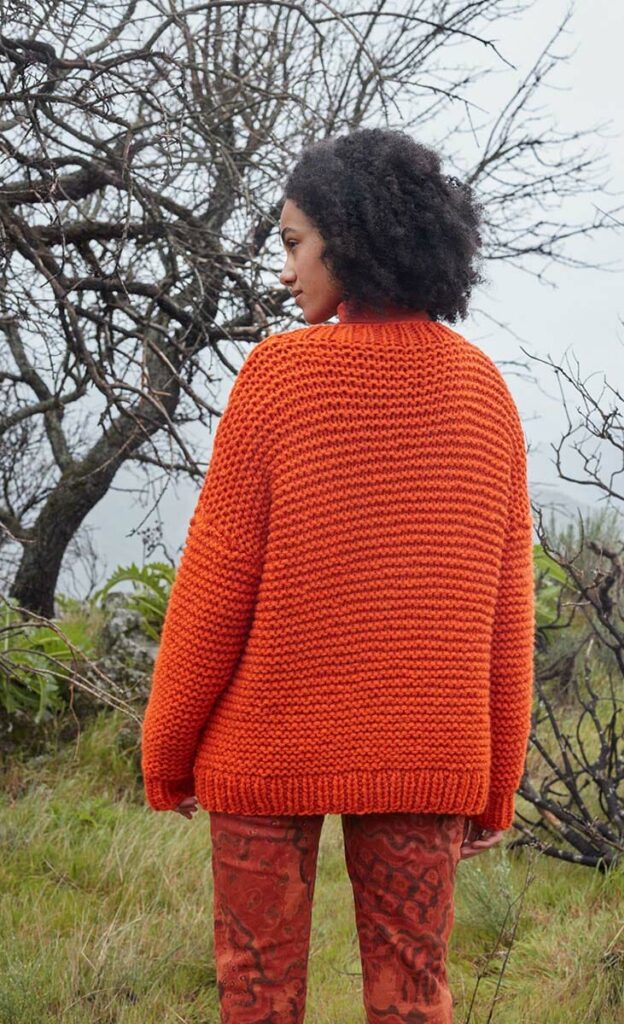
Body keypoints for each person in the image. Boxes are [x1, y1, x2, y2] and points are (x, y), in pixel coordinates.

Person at [140, 127, 536, 1023]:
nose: (285, 271)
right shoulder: (484, 391)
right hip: (426, 752)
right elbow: (505, 609)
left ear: (348, 238)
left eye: (293, 243)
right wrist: (494, 782)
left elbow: (215, 585)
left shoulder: (276, 378)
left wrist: (167, 748)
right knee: (412, 993)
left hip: (264, 746)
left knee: (257, 994)